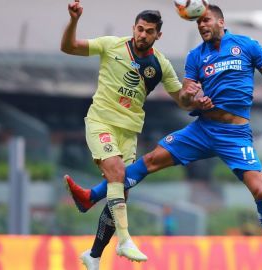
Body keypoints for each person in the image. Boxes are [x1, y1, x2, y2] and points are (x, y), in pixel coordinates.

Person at [66, 5, 262, 270]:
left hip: (235, 135)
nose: (201, 26)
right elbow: (186, 100)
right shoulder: (195, 57)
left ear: (221, 21)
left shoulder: (247, 46)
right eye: (198, 23)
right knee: (152, 159)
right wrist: (194, 96)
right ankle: (91, 198)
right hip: (202, 130)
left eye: (206, 20)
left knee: (260, 190)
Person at [61, 0, 213, 268]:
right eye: (140, 29)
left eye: (149, 31)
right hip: (101, 122)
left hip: (129, 132)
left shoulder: (161, 65)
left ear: (158, 35)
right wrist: (74, 20)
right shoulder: (111, 45)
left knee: (120, 192)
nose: (143, 35)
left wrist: (194, 99)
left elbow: (181, 100)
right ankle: (124, 238)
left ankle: (94, 255)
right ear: (133, 28)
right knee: (117, 174)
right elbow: (68, 47)